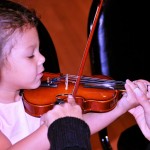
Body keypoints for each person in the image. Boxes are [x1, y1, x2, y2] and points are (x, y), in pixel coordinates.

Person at [0, 0, 142, 149]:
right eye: (30, 55)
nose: (42, 58)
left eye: (39, 50)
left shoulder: (37, 96)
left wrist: (122, 105)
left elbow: (78, 127)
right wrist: (57, 125)